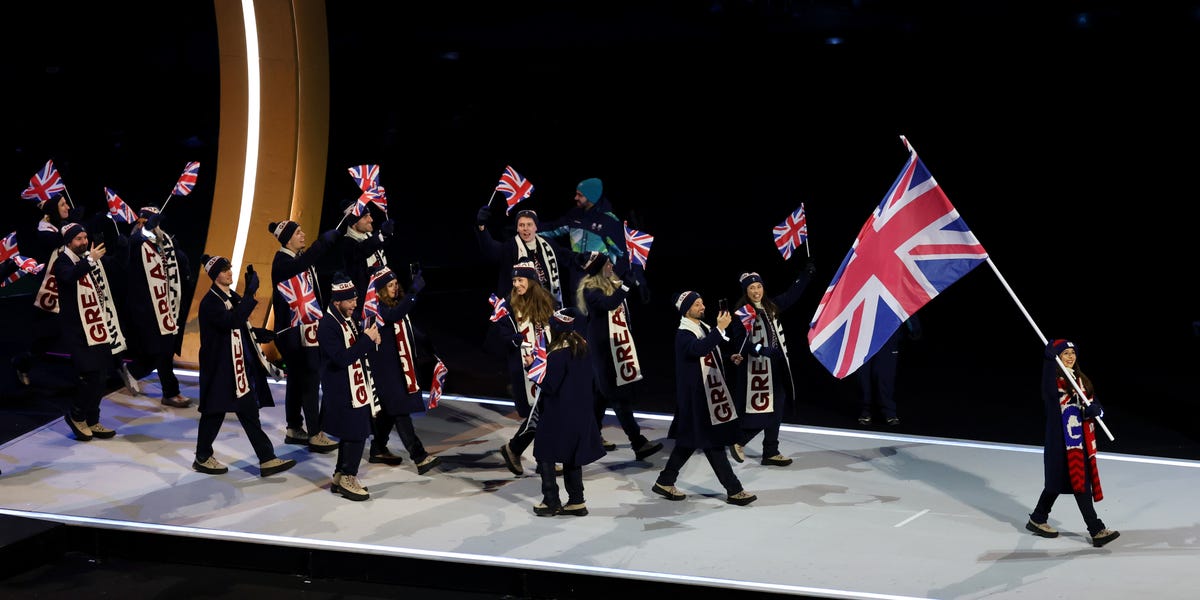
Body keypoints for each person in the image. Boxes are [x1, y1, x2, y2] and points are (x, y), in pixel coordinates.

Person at [192, 255, 296, 478]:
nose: (230, 272)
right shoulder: (210, 302)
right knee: (214, 412)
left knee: (249, 412)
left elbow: (240, 325)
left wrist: (258, 333)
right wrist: (249, 295)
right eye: (224, 270)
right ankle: (202, 457)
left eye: (229, 268)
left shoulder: (230, 296)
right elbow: (231, 322)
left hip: (236, 368)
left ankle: (267, 458)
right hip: (220, 369)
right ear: (214, 275)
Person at [651, 291, 756, 506]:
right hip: (696, 399)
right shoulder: (683, 334)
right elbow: (698, 350)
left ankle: (665, 481)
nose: (703, 307)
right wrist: (720, 329)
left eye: (701, 303)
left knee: (689, 443)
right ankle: (734, 490)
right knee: (712, 443)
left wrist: (728, 357)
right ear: (686, 309)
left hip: (704, 397)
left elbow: (709, 353)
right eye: (697, 304)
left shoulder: (702, 328)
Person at [1025, 338, 1119, 547]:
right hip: (1060, 442)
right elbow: (1049, 389)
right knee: (1066, 483)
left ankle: (1039, 518)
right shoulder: (1053, 382)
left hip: (1079, 441)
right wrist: (1048, 361)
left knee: (1066, 483)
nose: (1070, 356)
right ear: (1057, 357)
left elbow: (1096, 405)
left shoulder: (1081, 380)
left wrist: (1097, 411)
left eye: (1073, 353)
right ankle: (1095, 529)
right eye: (1065, 353)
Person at [574, 251, 662, 461]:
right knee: (617, 396)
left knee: (600, 395)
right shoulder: (590, 289)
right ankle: (638, 442)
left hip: (614, 347)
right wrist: (625, 286)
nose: (611, 266)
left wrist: (634, 274)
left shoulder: (610, 283)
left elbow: (620, 295)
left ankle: (591, 437)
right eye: (607, 263)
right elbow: (609, 304)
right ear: (598, 268)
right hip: (604, 351)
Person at [726, 263, 815, 467]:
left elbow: (792, 295)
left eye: (759, 286)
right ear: (746, 291)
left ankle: (770, 451)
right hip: (756, 370)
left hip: (775, 366)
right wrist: (761, 350)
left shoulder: (770, 306)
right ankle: (741, 441)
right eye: (752, 288)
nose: (756, 291)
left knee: (777, 407)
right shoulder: (743, 313)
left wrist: (806, 276)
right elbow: (740, 343)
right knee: (766, 410)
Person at [267, 219, 341, 453]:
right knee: (310, 378)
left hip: (305, 329)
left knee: (298, 380)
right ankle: (315, 433)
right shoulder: (282, 262)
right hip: (291, 332)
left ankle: (294, 428)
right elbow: (304, 263)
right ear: (287, 239)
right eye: (298, 232)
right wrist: (322, 243)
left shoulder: (298, 259)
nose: (303, 234)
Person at [363, 265, 442, 475]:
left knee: (390, 412)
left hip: (397, 369)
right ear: (380, 290)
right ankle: (419, 456)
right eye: (390, 285)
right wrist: (414, 292)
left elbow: (407, 327)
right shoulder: (376, 310)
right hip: (385, 371)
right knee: (400, 411)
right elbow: (394, 315)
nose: (395, 288)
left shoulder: (396, 306)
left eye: (396, 284)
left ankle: (378, 448)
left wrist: (428, 345)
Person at [53, 222, 127, 441]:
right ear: (68, 242)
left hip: (97, 326)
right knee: (90, 375)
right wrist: (91, 260)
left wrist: (123, 247)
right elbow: (69, 276)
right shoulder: (62, 261)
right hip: (77, 330)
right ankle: (76, 415)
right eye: (79, 239)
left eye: (85, 238)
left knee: (102, 375)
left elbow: (117, 267)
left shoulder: (89, 258)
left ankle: (93, 420)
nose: (84, 242)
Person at [531, 308, 605, 517]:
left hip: (559, 413)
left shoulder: (558, 355)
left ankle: (551, 501)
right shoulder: (583, 348)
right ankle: (577, 501)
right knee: (572, 455)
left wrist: (532, 370)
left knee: (544, 452)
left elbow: (550, 386)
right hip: (581, 412)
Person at [488, 259, 556, 476]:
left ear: (532, 280)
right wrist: (513, 340)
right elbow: (500, 336)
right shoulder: (508, 305)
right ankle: (534, 457)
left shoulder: (547, 301)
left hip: (546, 364)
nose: (516, 284)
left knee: (543, 413)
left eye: (520, 280)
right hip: (523, 368)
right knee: (540, 413)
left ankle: (518, 450)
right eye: (514, 280)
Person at [318, 273, 382, 501]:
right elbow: (341, 358)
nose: (355, 304)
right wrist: (366, 340)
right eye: (350, 300)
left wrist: (371, 340)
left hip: (356, 387)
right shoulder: (327, 325)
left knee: (353, 432)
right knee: (357, 433)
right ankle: (348, 477)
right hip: (342, 390)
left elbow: (356, 349)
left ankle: (340, 475)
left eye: (355, 299)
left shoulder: (347, 318)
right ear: (337, 301)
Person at [122, 206, 193, 408]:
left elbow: (178, 266)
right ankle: (169, 391)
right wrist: (146, 231)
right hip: (145, 307)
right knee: (160, 349)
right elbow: (133, 251)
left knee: (164, 349)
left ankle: (135, 371)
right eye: (152, 222)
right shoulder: (135, 242)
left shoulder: (165, 241)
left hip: (165, 304)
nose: (156, 226)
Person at [539, 177, 631, 289]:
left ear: (591, 197)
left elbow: (624, 255)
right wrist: (530, 228)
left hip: (600, 282)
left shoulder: (609, 221)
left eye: (580, 195)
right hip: (577, 279)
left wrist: (612, 278)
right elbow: (552, 229)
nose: (575, 198)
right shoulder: (574, 215)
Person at [475, 206, 570, 307]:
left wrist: (581, 258)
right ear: (517, 228)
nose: (525, 228)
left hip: (546, 306)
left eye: (529, 224)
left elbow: (567, 256)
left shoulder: (548, 244)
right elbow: (490, 249)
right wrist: (481, 227)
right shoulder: (510, 247)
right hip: (519, 308)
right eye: (521, 225)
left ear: (536, 227)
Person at [856, 315, 921, 426]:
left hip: (888, 337)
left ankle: (889, 412)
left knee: (884, 376)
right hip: (863, 337)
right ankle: (866, 411)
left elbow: (906, 308)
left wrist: (915, 329)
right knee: (863, 377)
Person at [337, 201, 395, 321]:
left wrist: (385, 235)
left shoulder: (368, 236)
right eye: (365, 217)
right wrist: (381, 235)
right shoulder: (347, 244)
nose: (371, 219)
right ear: (354, 223)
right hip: (365, 307)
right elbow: (361, 251)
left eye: (370, 215)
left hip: (383, 299)